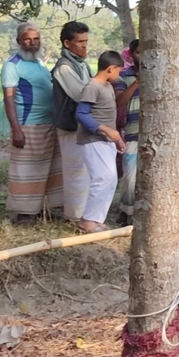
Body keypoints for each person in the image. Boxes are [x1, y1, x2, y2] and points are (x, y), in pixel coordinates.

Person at [1, 23, 61, 223]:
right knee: (27, 171)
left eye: (36, 39)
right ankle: (24, 213)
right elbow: (8, 99)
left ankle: (42, 209)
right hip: (28, 125)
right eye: (28, 39)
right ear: (19, 41)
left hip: (49, 124)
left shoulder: (40, 64)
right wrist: (16, 130)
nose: (33, 43)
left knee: (47, 170)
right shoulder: (12, 65)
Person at [75, 51, 126, 232]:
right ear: (111, 68)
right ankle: (87, 220)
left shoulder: (107, 86)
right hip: (93, 139)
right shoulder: (92, 86)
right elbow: (81, 114)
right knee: (102, 178)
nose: (119, 75)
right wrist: (105, 129)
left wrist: (116, 138)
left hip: (106, 141)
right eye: (118, 71)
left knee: (110, 179)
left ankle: (97, 218)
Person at [52, 21, 93, 223]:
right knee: (75, 172)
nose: (84, 46)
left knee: (84, 171)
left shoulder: (81, 64)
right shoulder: (64, 67)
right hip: (70, 127)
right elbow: (81, 94)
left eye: (86, 41)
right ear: (67, 43)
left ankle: (84, 214)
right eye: (80, 42)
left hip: (81, 126)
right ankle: (75, 217)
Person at [114, 39, 141, 222]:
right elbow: (119, 100)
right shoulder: (123, 76)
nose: (144, 56)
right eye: (139, 52)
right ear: (131, 55)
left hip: (156, 133)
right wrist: (138, 82)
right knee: (130, 176)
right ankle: (126, 211)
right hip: (132, 131)